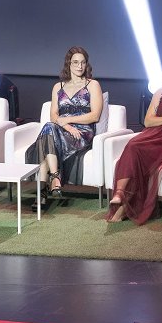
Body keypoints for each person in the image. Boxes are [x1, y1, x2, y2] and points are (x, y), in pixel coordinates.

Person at [106, 58, 162, 225]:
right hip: (153, 133)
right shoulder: (161, 92)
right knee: (133, 145)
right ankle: (120, 194)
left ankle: (122, 205)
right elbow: (148, 121)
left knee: (138, 152)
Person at [28, 46, 103, 208]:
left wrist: (68, 120)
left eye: (83, 62)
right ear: (68, 64)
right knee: (48, 130)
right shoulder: (58, 86)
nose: (79, 66)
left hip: (83, 132)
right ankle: (54, 179)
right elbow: (54, 116)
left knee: (46, 137)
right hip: (63, 130)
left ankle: (44, 191)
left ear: (87, 64)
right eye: (75, 62)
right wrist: (68, 126)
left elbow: (95, 116)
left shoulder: (93, 85)